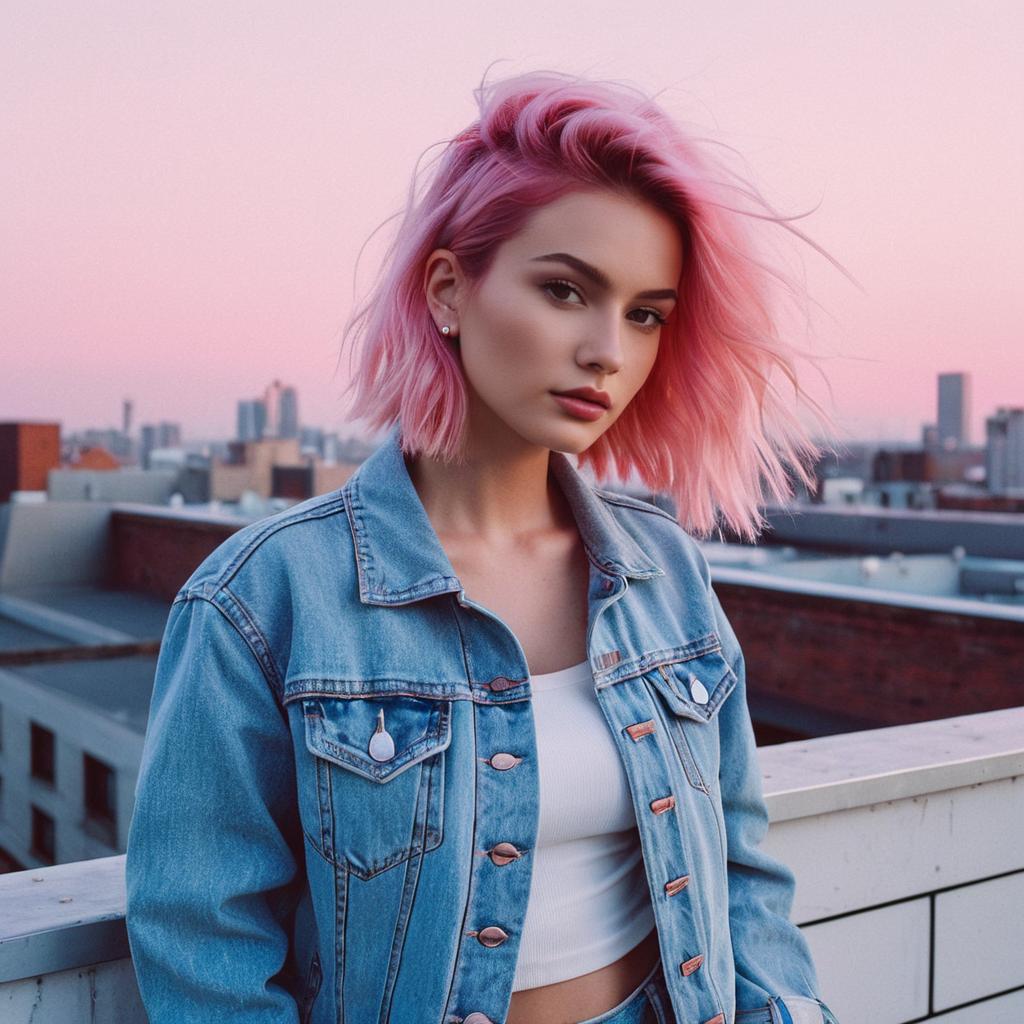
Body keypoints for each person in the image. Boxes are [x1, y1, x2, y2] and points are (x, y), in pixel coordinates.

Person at [125, 69, 844, 1024]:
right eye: (564, 290)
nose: (608, 351)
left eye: (645, 314)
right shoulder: (266, 598)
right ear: (449, 290)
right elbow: (200, 933)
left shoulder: (664, 572)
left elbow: (741, 865)